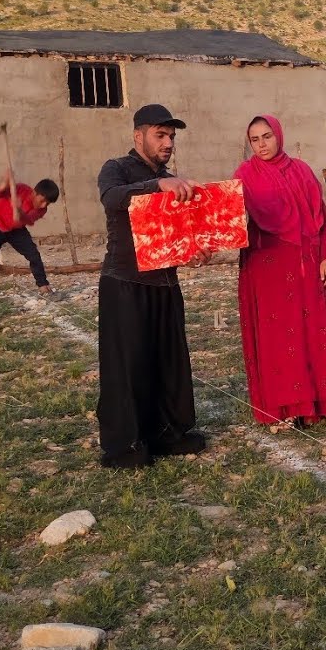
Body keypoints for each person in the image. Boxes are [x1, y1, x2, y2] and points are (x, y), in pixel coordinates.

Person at [95, 104, 211, 469]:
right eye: (160, 135)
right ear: (138, 136)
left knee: (167, 361)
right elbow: (113, 199)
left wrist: (193, 252)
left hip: (164, 282)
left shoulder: (172, 181)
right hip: (124, 283)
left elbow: (175, 235)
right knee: (128, 365)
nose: (168, 143)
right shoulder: (116, 169)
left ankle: (168, 433)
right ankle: (126, 444)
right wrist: (156, 184)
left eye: (172, 136)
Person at [233, 115, 326, 427]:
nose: (262, 145)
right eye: (255, 139)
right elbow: (234, 220)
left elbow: (322, 221)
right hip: (266, 268)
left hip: (307, 265)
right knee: (278, 338)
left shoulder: (301, 171)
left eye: (267, 136)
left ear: (279, 136)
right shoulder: (244, 175)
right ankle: (285, 409)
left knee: (319, 332)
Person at [0, 171, 59, 303]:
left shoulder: (42, 210)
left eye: (48, 203)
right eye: (42, 200)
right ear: (34, 193)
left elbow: (27, 220)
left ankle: (44, 287)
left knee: (34, 255)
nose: (44, 205)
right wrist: (4, 184)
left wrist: (19, 210)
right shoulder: (20, 189)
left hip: (15, 229)